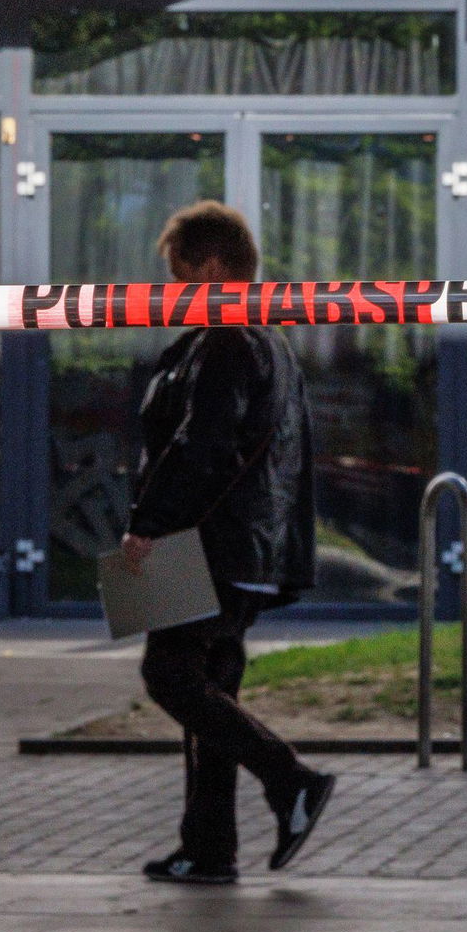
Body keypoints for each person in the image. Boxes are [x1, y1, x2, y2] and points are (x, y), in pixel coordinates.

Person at [122, 200, 334, 885]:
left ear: (211, 267)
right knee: (211, 692)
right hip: (243, 548)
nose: (171, 288)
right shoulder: (267, 341)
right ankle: (209, 848)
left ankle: (290, 780)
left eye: (179, 272)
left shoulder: (227, 340)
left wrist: (148, 525)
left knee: (170, 676)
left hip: (203, 543)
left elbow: (201, 447)